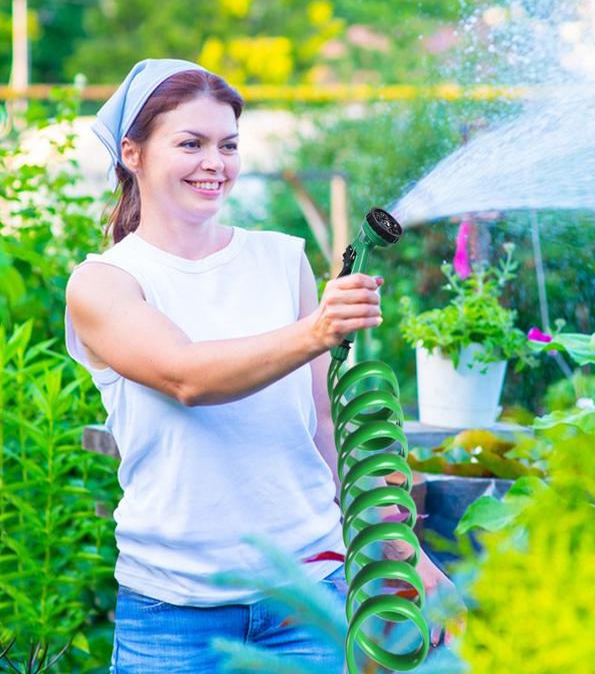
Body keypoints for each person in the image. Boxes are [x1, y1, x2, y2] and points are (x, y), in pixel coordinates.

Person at [65, 59, 457, 673]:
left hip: (309, 596)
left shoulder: (281, 259)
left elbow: (327, 431)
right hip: (174, 614)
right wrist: (316, 330)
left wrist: (405, 553)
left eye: (228, 144)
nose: (214, 163)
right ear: (133, 154)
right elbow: (185, 376)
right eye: (190, 143)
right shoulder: (105, 283)